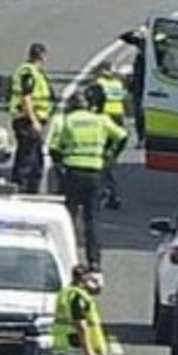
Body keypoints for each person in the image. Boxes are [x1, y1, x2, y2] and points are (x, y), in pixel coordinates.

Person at [50, 91, 128, 270]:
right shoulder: (100, 120)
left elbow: (54, 147)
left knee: (68, 218)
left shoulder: (66, 121)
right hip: (94, 172)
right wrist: (110, 155)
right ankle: (94, 261)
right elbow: (122, 136)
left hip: (72, 172)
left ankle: (65, 257)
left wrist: (60, 166)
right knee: (92, 219)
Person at [10, 43, 55, 193]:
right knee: (27, 158)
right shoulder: (28, 71)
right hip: (27, 120)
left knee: (35, 159)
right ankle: (21, 188)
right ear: (42, 55)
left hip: (31, 119)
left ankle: (30, 189)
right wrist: (34, 120)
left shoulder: (35, 71)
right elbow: (26, 97)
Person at [86, 73, 125, 210]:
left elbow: (93, 97)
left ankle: (105, 193)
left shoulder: (99, 83)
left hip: (106, 117)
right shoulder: (118, 83)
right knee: (108, 162)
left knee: (102, 163)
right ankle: (111, 193)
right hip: (118, 118)